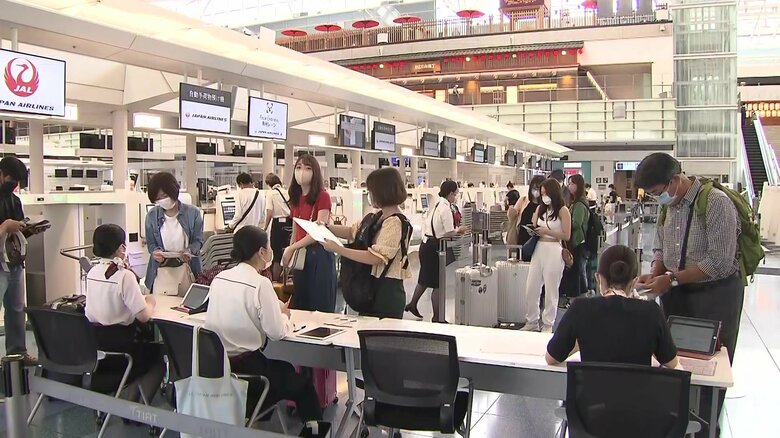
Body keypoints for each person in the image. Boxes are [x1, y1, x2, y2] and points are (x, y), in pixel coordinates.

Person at [634, 153, 742, 436]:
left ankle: (705, 429)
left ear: (674, 180)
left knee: (708, 369)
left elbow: (720, 262)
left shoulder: (716, 203)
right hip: (676, 294)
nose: (657, 198)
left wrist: (670, 279)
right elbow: (660, 246)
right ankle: (677, 426)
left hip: (715, 296)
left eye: (657, 192)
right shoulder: (668, 207)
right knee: (673, 362)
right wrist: (655, 272)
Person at [205, 226, 322, 423]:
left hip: (220, 370)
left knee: (284, 369)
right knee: (303, 386)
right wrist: (284, 316)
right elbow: (276, 332)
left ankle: (260, 415)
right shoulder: (260, 283)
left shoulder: (219, 278)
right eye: (269, 247)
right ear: (261, 252)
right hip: (251, 372)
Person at [546, 245, 679, 368]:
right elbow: (672, 363)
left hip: (593, 387)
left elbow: (551, 358)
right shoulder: (652, 312)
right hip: (636, 387)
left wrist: (582, 340)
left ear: (598, 278)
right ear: (634, 282)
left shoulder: (580, 309)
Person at [85, 224, 164, 404]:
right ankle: (136, 405)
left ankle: (130, 400)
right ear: (121, 247)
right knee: (159, 353)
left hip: (95, 348)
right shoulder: (124, 276)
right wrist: (150, 302)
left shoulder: (92, 272)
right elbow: (143, 316)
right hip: (122, 350)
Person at [323, 168, 412, 319]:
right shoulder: (377, 217)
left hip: (387, 293)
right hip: (370, 288)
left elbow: (376, 257)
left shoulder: (395, 223)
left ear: (382, 192)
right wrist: (325, 227)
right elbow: (352, 231)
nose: (370, 196)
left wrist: (339, 249)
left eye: (371, 192)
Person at [406, 181, 467, 321]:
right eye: (456, 194)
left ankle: (413, 304)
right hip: (434, 247)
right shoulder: (445, 209)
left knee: (425, 279)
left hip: (426, 245)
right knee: (438, 284)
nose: (456, 196)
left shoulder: (437, 205)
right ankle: (437, 317)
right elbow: (449, 231)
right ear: (450, 193)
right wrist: (459, 230)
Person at [282, 154, 336, 312]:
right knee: (301, 302)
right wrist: (291, 253)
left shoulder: (322, 196)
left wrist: (292, 248)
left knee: (319, 304)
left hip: (319, 255)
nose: (302, 171)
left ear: (315, 172)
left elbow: (319, 231)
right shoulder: (296, 197)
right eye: (298, 167)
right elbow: (295, 229)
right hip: (301, 256)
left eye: (307, 168)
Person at [521, 178, 571, 333]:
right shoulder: (541, 209)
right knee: (531, 286)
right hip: (539, 249)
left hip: (554, 249)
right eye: (542, 194)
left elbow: (566, 235)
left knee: (551, 289)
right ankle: (532, 320)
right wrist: (534, 228)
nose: (543, 197)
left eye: (545, 193)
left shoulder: (563, 210)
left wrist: (547, 231)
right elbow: (535, 223)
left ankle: (548, 324)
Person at [0, 156, 37, 364]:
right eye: (11, 180)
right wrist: (5, 226)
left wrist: (29, 229)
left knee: (16, 310)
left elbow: (19, 231)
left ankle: (17, 353)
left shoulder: (14, 201)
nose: (13, 185)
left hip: (14, 263)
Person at [144, 172, 203, 294]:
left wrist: (190, 251)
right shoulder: (152, 215)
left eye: (164, 196)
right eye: (158, 198)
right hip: (161, 271)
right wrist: (155, 252)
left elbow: (198, 241)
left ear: (173, 191)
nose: (162, 200)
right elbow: (151, 243)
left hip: (186, 268)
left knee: (186, 302)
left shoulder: (193, 213)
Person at [559, 174, 590, 299]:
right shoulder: (575, 203)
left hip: (578, 241)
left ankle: (579, 296)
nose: (569, 186)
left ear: (579, 186)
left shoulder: (579, 204)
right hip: (577, 241)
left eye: (572, 184)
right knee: (579, 270)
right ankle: (581, 295)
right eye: (569, 183)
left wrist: (564, 224)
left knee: (577, 270)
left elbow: (576, 223)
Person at [263, 173, 292, 281]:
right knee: (288, 251)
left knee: (277, 255)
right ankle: (287, 280)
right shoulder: (287, 192)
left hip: (278, 226)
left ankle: (276, 282)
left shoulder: (270, 194)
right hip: (289, 223)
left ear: (269, 184)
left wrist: (265, 227)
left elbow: (269, 212)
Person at [516, 175, 546, 246]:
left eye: (538, 188)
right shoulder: (524, 201)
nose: (536, 191)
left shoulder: (545, 206)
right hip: (523, 238)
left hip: (538, 241)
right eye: (534, 188)